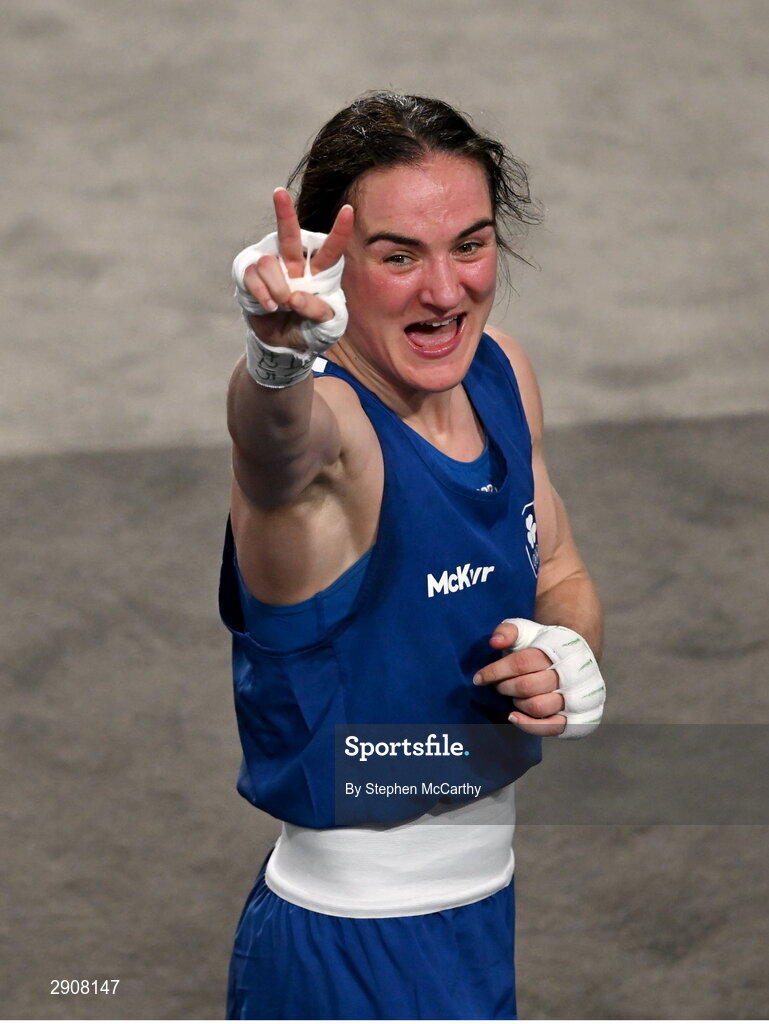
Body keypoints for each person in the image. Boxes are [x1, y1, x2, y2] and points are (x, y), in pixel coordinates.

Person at [220, 91, 605, 1020]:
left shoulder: (502, 373)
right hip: (350, 957)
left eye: (469, 245)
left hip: (476, 914)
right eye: (398, 258)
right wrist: (274, 361)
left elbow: (555, 569)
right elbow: (272, 444)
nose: (445, 292)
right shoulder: (335, 432)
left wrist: (564, 649)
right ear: (332, 266)